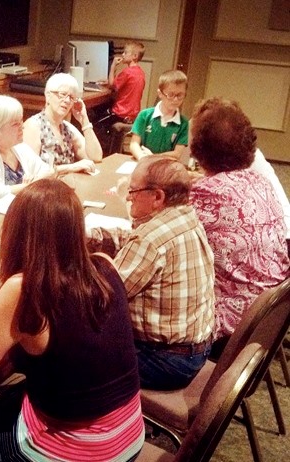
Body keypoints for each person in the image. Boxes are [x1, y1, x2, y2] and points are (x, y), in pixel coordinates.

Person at [0, 179, 144, 461]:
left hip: (78, 452)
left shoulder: (25, 289)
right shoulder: (104, 264)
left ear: (17, 231)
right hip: (130, 438)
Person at [86, 156, 215, 390]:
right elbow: (134, 238)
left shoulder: (149, 241)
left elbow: (99, 300)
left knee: (64, 351)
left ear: (157, 197)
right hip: (196, 351)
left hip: (165, 362)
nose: (127, 196)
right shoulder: (185, 216)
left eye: (133, 190)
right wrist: (87, 235)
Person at [188, 97, 290, 358]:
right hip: (266, 323)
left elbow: (164, 239)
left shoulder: (206, 193)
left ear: (197, 147)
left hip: (228, 334)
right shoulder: (260, 182)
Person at [23, 72, 103, 173]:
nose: (67, 101)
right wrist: (72, 167)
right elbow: (32, 171)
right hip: (45, 187)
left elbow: (96, 157)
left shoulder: (67, 128)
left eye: (71, 97)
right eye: (63, 95)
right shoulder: (33, 126)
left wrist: (84, 120)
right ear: (48, 96)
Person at [95, 40, 146, 154]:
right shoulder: (140, 73)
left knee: (96, 123)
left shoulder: (127, 72)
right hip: (133, 114)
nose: (123, 55)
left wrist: (113, 65)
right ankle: (112, 147)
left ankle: (105, 151)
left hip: (121, 113)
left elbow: (113, 85)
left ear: (134, 56)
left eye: (125, 52)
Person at [129, 69, 189, 161]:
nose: (175, 99)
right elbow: (134, 144)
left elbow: (177, 154)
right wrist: (142, 158)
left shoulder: (183, 123)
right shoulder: (144, 115)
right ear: (160, 93)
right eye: (170, 94)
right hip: (142, 162)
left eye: (180, 95)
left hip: (166, 167)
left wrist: (152, 157)